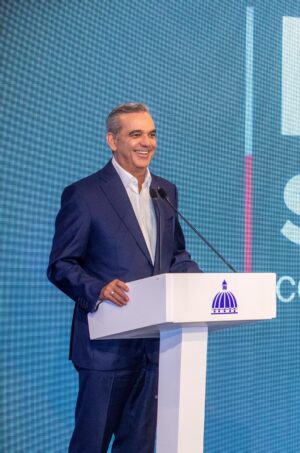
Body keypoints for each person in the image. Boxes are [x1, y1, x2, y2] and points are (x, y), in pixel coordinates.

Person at [47, 103, 201, 452]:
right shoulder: (85, 194)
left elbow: (174, 254)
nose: (147, 142)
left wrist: (195, 279)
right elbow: (61, 264)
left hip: (155, 347)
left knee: (139, 447)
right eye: (136, 134)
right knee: (91, 444)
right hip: (106, 349)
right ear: (112, 141)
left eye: (151, 134)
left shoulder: (165, 191)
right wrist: (98, 289)